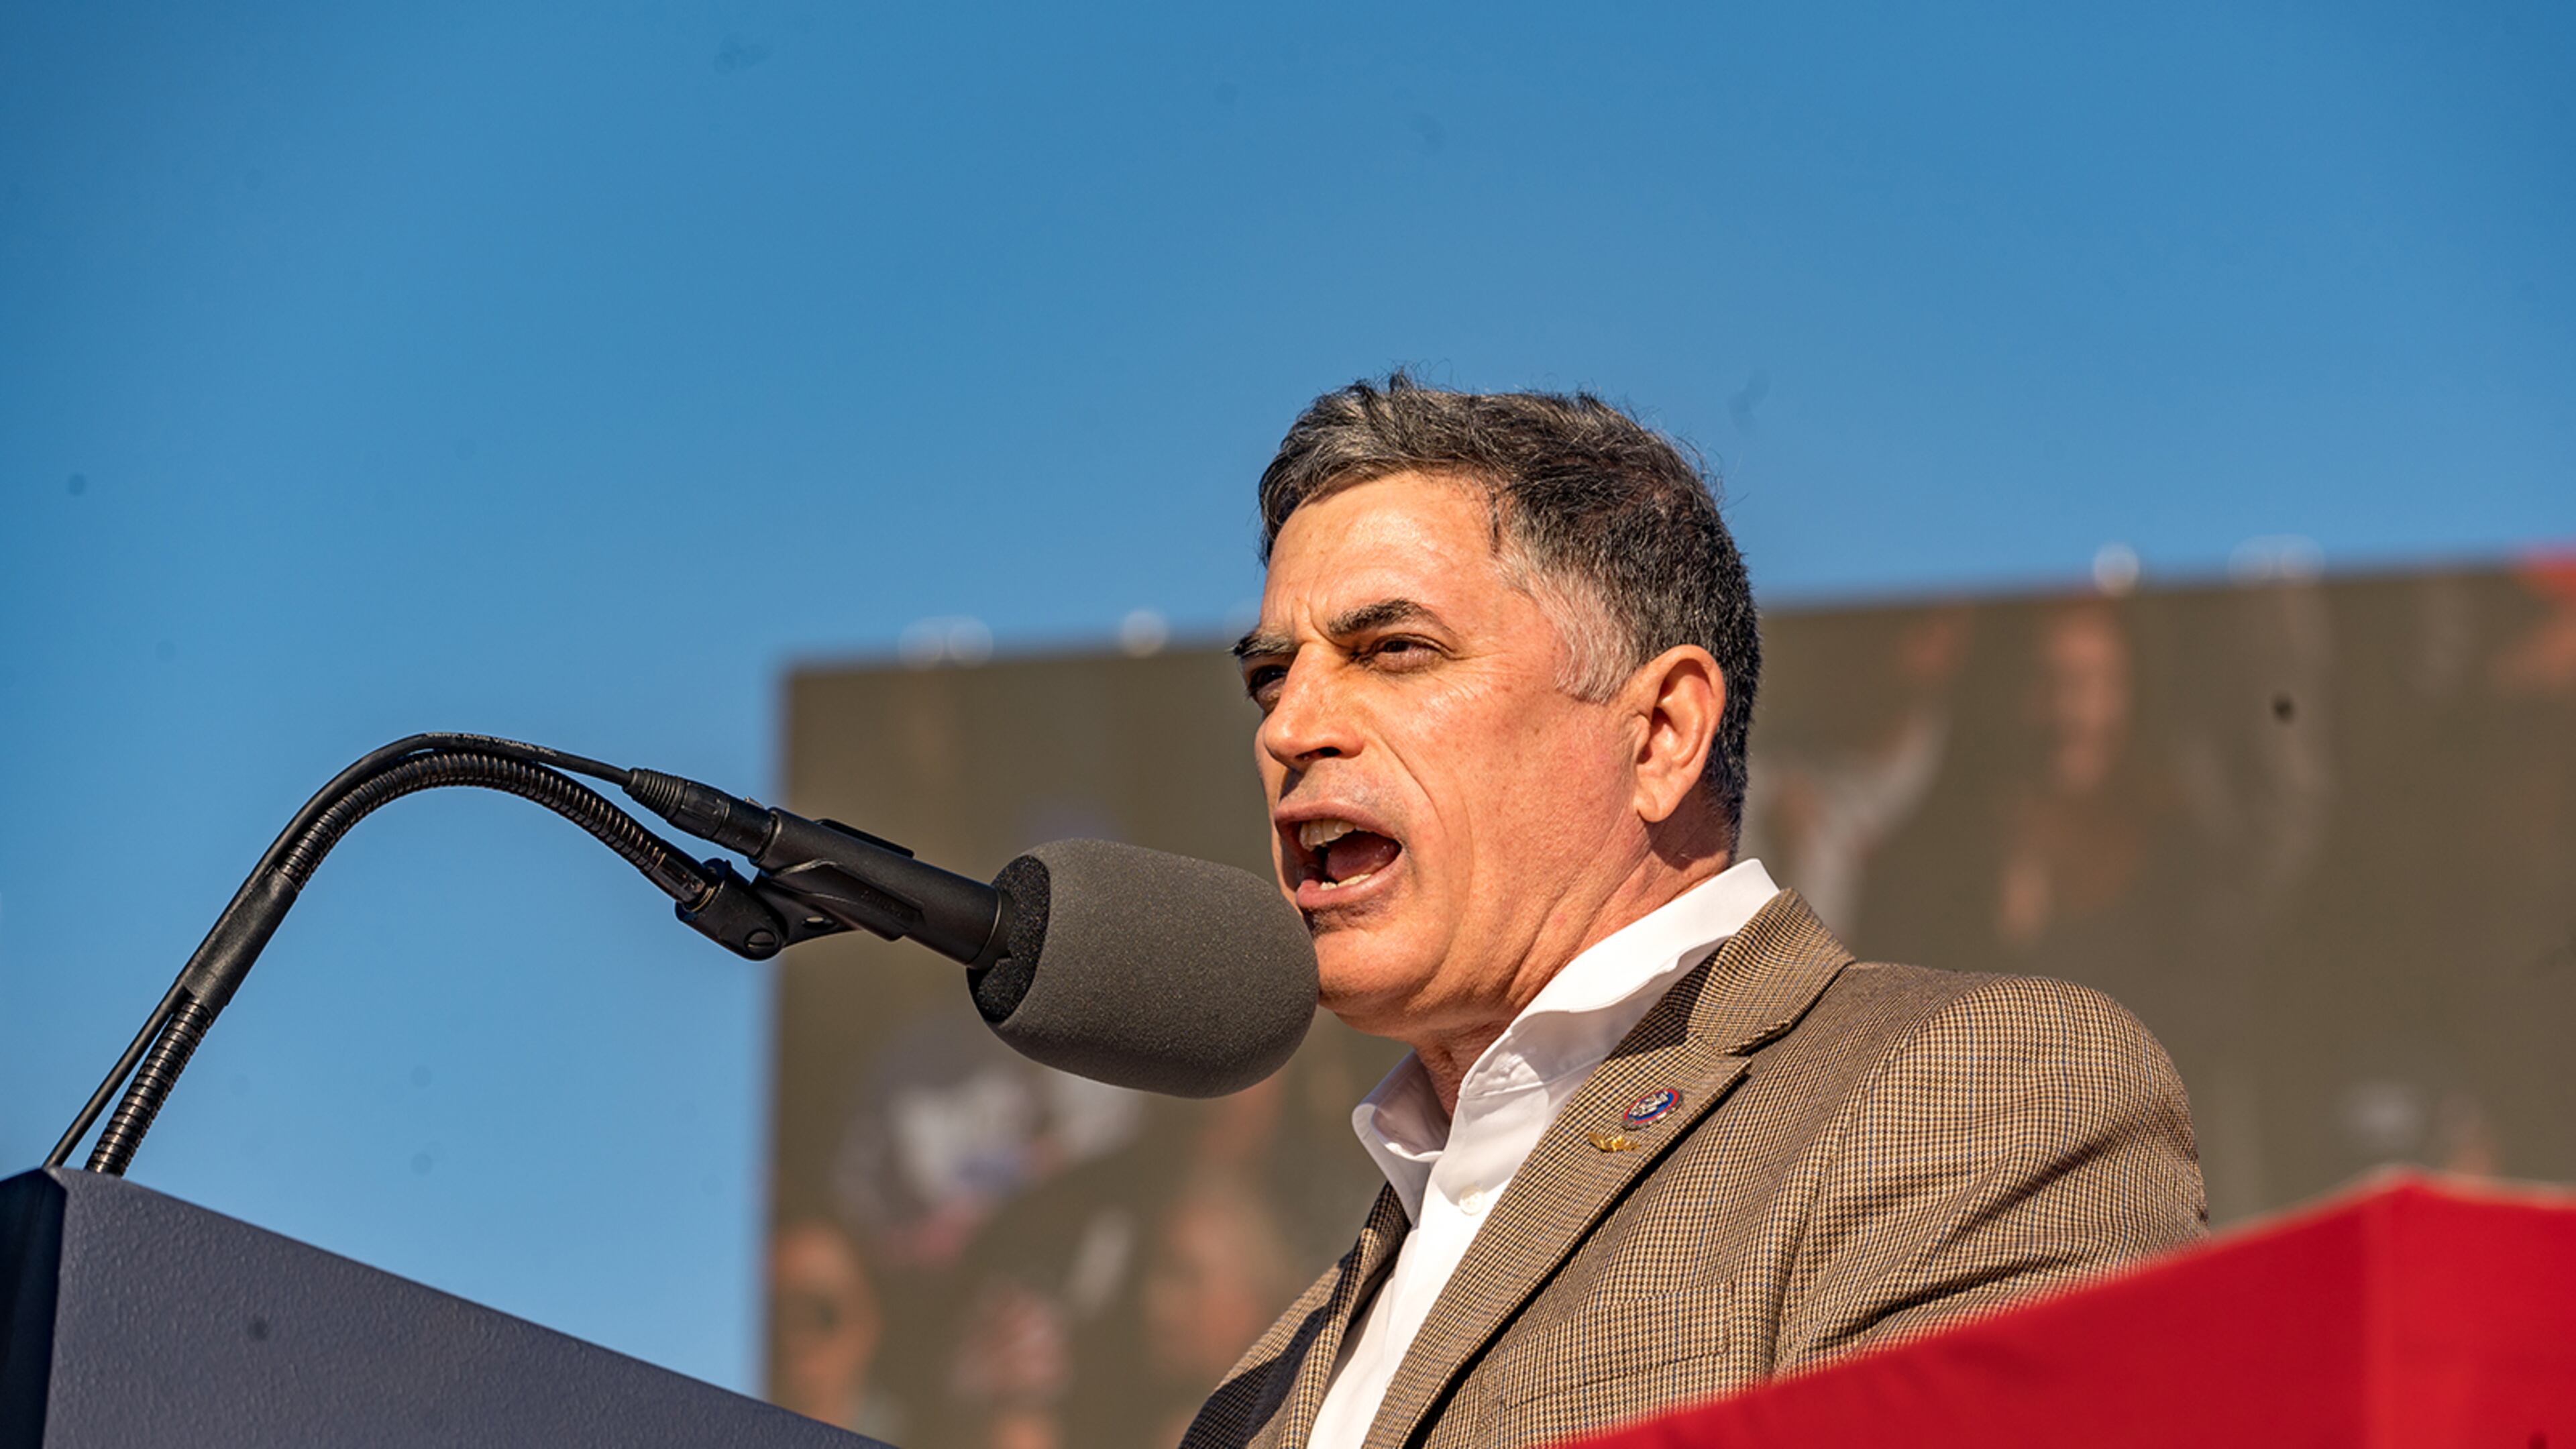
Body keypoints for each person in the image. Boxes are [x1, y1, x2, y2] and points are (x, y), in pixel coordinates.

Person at [1184, 375, 2206, 1449]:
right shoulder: (1261, 1389)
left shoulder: (1975, 1095)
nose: (1288, 727)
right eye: (1270, 674)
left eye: (1394, 649)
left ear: (1663, 733)